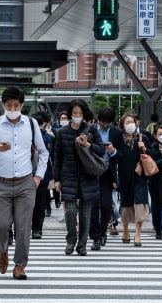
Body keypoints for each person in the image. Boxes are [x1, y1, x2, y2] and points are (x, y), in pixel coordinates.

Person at [0, 87, 48, 280]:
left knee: (23, 226)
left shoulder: (31, 124)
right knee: (1, 225)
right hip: (1, 182)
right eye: (9, 105)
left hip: (26, 182)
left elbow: (43, 152)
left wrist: (38, 177)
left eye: (16, 105)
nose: (12, 108)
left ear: (22, 105)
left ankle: (20, 265)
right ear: (3, 105)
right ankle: (2, 250)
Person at [53, 99, 105, 256]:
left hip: (87, 176)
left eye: (80, 113)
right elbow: (57, 157)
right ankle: (71, 240)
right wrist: (57, 179)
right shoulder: (62, 133)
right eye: (74, 113)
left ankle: (82, 245)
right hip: (68, 175)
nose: (77, 116)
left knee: (85, 214)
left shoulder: (91, 130)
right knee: (69, 211)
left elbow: (101, 151)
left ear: (84, 114)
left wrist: (88, 144)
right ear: (70, 114)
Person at [117, 112, 155, 247]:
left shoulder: (143, 137)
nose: (130, 125)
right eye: (127, 122)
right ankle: (126, 231)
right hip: (124, 176)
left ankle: (138, 234)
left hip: (140, 176)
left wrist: (144, 148)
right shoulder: (118, 139)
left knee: (140, 202)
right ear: (122, 125)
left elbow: (154, 154)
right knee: (126, 203)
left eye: (131, 122)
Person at [89, 106, 121, 251]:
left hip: (108, 172)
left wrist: (113, 151)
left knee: (107, 205)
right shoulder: (91, 130)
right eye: (103, 121)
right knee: (94, 206)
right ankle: (95, 237)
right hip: (92, 172)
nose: (105, 124)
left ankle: (103, 232)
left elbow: (122, 155)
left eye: (108, 122)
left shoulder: (116, 133)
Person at [31, 111, 53, 240]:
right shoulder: (24, 137)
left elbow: (51, 156)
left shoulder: (48, 138)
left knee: (40, 203)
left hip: (42, 175)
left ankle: (37, 228)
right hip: (26, 174)